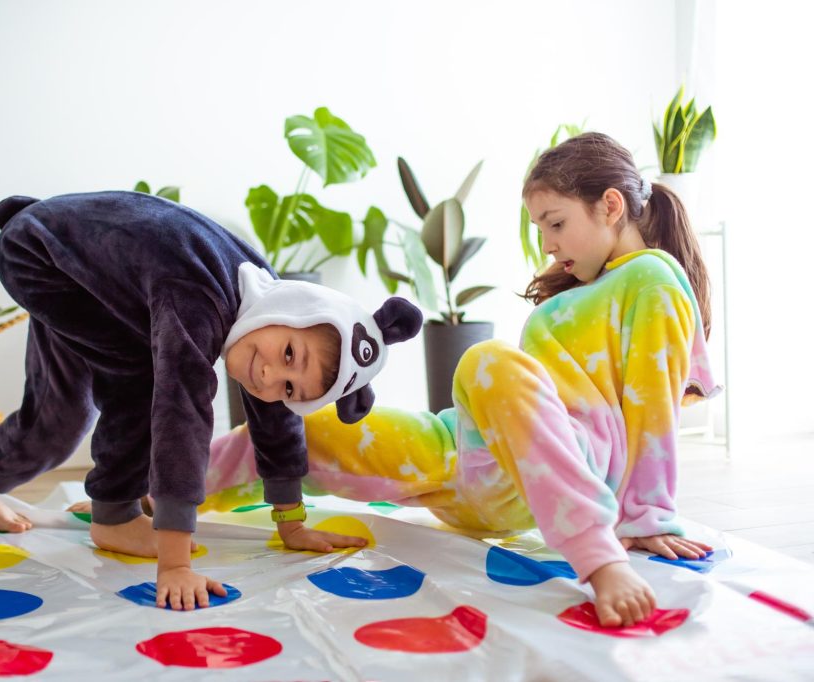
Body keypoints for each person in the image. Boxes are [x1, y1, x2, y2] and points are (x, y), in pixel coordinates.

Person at [202, 132, 720, 628]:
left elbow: (652, 404)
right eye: (541, 229)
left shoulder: (653, 279)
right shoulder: (583, 288)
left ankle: (598, 560)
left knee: (485, 360)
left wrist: (646, 514)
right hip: (464, 454)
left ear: (610, 206)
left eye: (555, 224)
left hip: (553, 463)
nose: (547, 244)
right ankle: (160, 491)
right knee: (307, 430)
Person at [0, 190, 422, 610]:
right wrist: (174, 563)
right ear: (291, 312)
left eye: (292, 389)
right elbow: (182, 415)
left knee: (60, 416)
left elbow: (275, 419)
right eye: (289, 354)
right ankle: (113, 515)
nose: (271, 377)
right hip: (40, 254)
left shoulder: (267, 312)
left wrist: (291, 523)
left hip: (74, 258)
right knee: (144, 379)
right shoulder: (202, 301)